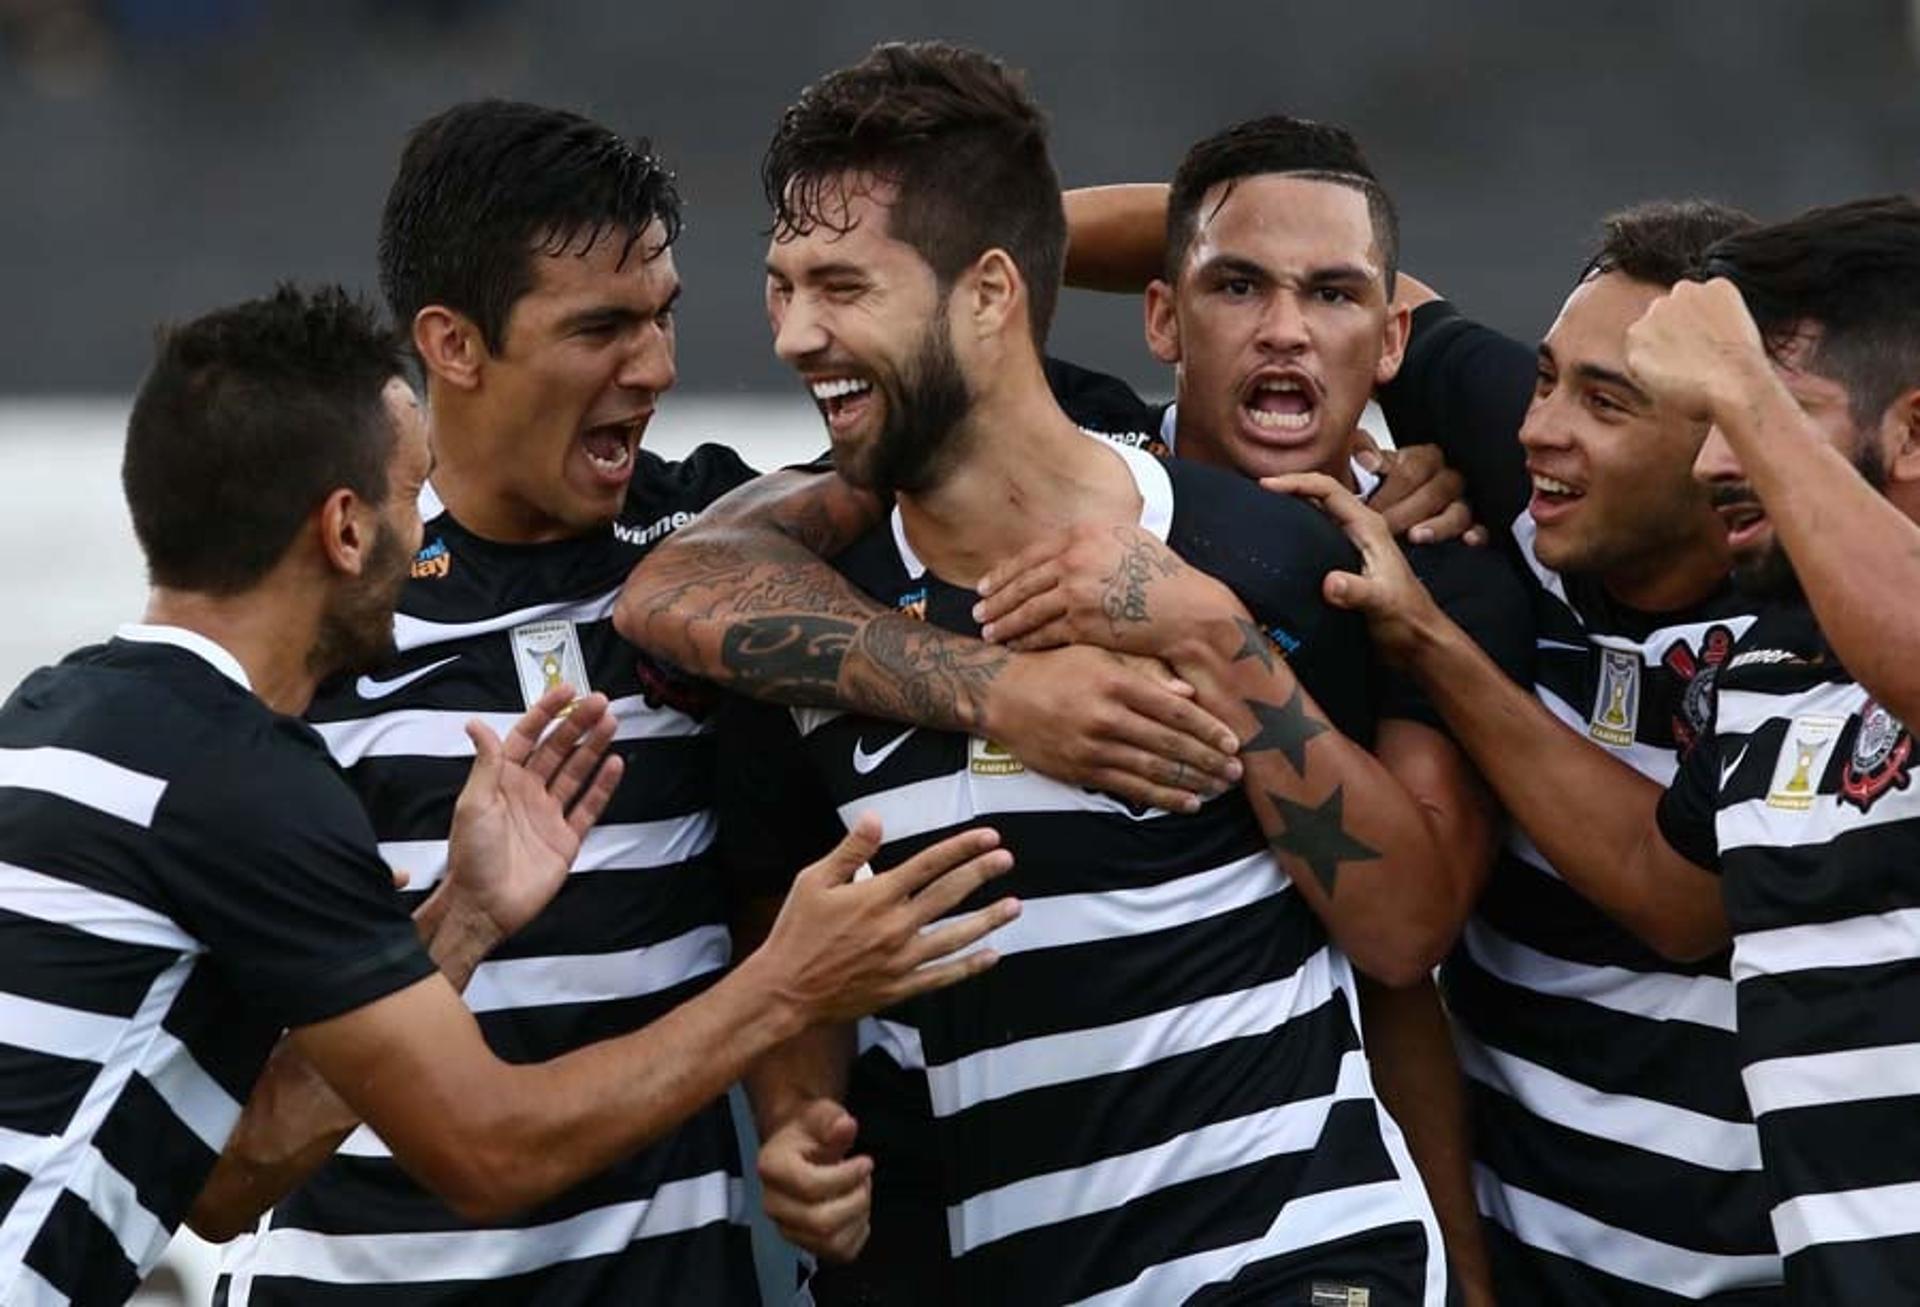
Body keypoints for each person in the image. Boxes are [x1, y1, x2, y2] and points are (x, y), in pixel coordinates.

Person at [208, 100, 1212, 1307]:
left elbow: (1220, 263)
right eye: (601, 328)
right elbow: (219, 1180)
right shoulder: (312, 638)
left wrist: (975, 227)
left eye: (664, 315)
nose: (658, 368)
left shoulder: (734, 547)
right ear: (454, 345)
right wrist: (458, 928)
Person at [0, 285, 1015, 1307]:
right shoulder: (249, 782)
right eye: (411, 497)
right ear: (346, 530)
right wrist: (787, 984)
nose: (424, 538)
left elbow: (226, 1177)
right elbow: (489, 1153)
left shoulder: (55, 717)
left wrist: (464, 918)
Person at [687, 41, 1457, 1306]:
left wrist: (1218, 641)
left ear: (990, 294)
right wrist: (796, 1116)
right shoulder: (809, 616)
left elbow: (1406, 927)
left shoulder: (1263, 550)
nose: (792, 335)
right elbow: (786, 910)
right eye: (780, 289)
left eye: (841, 287)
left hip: (1298, 1258)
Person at [971, 115, 1537, 1307]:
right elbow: (928, 282)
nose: (1285, 329)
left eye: (1332, 296)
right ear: (1164, 317)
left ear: (1391, 342)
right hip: (988, 1195)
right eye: (1237, 287)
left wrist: (1209, 636)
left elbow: (1400, 940)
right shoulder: (1043, 458)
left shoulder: (1438, 572)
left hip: (1289, 1229)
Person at [1266, 200, 1790, 1305]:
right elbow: (1278, 226)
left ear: (1730, 444)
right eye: (1547, 377)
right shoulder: (1534, 458)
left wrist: (1431, 642)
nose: (1538, 427)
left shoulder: (1815, 621)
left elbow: (1676, 895)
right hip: (1509, 1258)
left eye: (1602, 402)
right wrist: (986, 246)